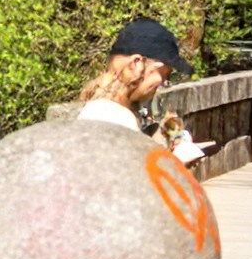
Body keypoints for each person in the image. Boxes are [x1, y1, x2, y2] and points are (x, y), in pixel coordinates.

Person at [79, 16, 204, 161]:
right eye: (164, 73)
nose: (163, 82)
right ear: (136, 63)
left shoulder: (104, 109)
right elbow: (133, 180)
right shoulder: (112, 117)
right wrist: (176, 163)